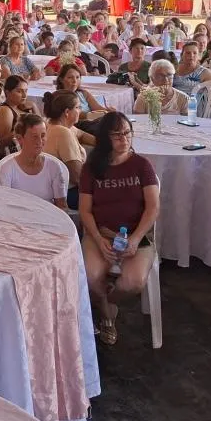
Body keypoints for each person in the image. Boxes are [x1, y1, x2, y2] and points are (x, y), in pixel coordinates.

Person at [79, 112, 160, 345]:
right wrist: (98, 238)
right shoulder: (92, 168)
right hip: (102, 233)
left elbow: (153, 207)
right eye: (117, 135)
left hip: (136, 235)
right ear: (105, 138)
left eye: (127, 133)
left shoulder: (141, 165)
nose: (124, 139)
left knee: (132, 283)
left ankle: (106, 301)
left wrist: (135, 238)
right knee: (90, 276)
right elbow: (85, 210)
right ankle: (106, 315)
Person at [0, 114, 68, 209]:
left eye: (43, 135)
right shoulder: (8, 168)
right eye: (34, 136)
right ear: (20, 139)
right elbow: (4, 205)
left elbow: (62, 206)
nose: (40, 141)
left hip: (47, 217)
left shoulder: (53, 167)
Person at [43, 90, 95, 208]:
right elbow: (77, 177)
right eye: (77, 107)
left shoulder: (53, 123)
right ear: (67, 112)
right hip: (66, 193)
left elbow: (81, 134)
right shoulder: (63, 132)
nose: (80, 111)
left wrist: (105, 144)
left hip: (55, 190)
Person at [0, 75, 39, 152]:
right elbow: (0, 144)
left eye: (26, 91)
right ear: (8, 92)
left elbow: (40, 125)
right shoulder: (5, 111)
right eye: (19, 91)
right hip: (17, 153)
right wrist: (22, 129)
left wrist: (34, 107)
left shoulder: (19, 107)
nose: (24, 95)